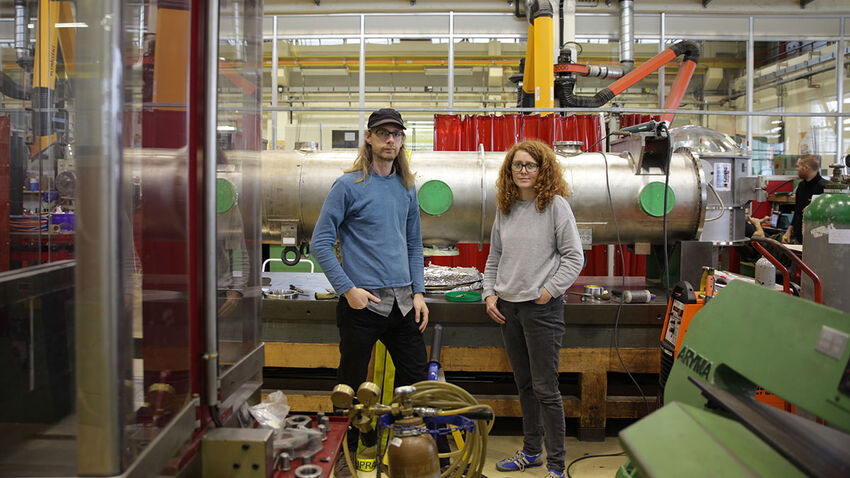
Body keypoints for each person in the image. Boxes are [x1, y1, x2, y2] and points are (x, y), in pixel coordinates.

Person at [311, 108, 429, 476]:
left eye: (396, 134)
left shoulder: (406, 187)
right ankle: (347, 456)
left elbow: (413, 244)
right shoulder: (348, 186)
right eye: (383, 133)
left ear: (402, 140)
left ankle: (402, 452)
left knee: (416, 384)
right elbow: (320, 242)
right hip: (362, 306)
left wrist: (420, 293)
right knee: (349, 390)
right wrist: (348, 290)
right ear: (369, 137)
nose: (390, 140)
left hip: (403, 303)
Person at [482, 140, 584, 478]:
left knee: (546, 390)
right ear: (509, 171)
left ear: (543, 171)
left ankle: (555, 465)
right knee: (525, 386)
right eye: (517, 165)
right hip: (508, 310)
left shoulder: (555, 206)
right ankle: (531, 452)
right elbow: (495, 257)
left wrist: (548, 291)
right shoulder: (506, 208)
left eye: (530, 165)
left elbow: (574, 257)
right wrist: (489, 294)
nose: (523, 171)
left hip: (542, 311)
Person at [782, 155, 829, 244]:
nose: (797, 169)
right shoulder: (801, 186)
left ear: (806, 168)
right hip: (799, 238)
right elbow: (798, 211)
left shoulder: (824, 188)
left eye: (798, 166)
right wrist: (789, 230)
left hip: (817, 239)